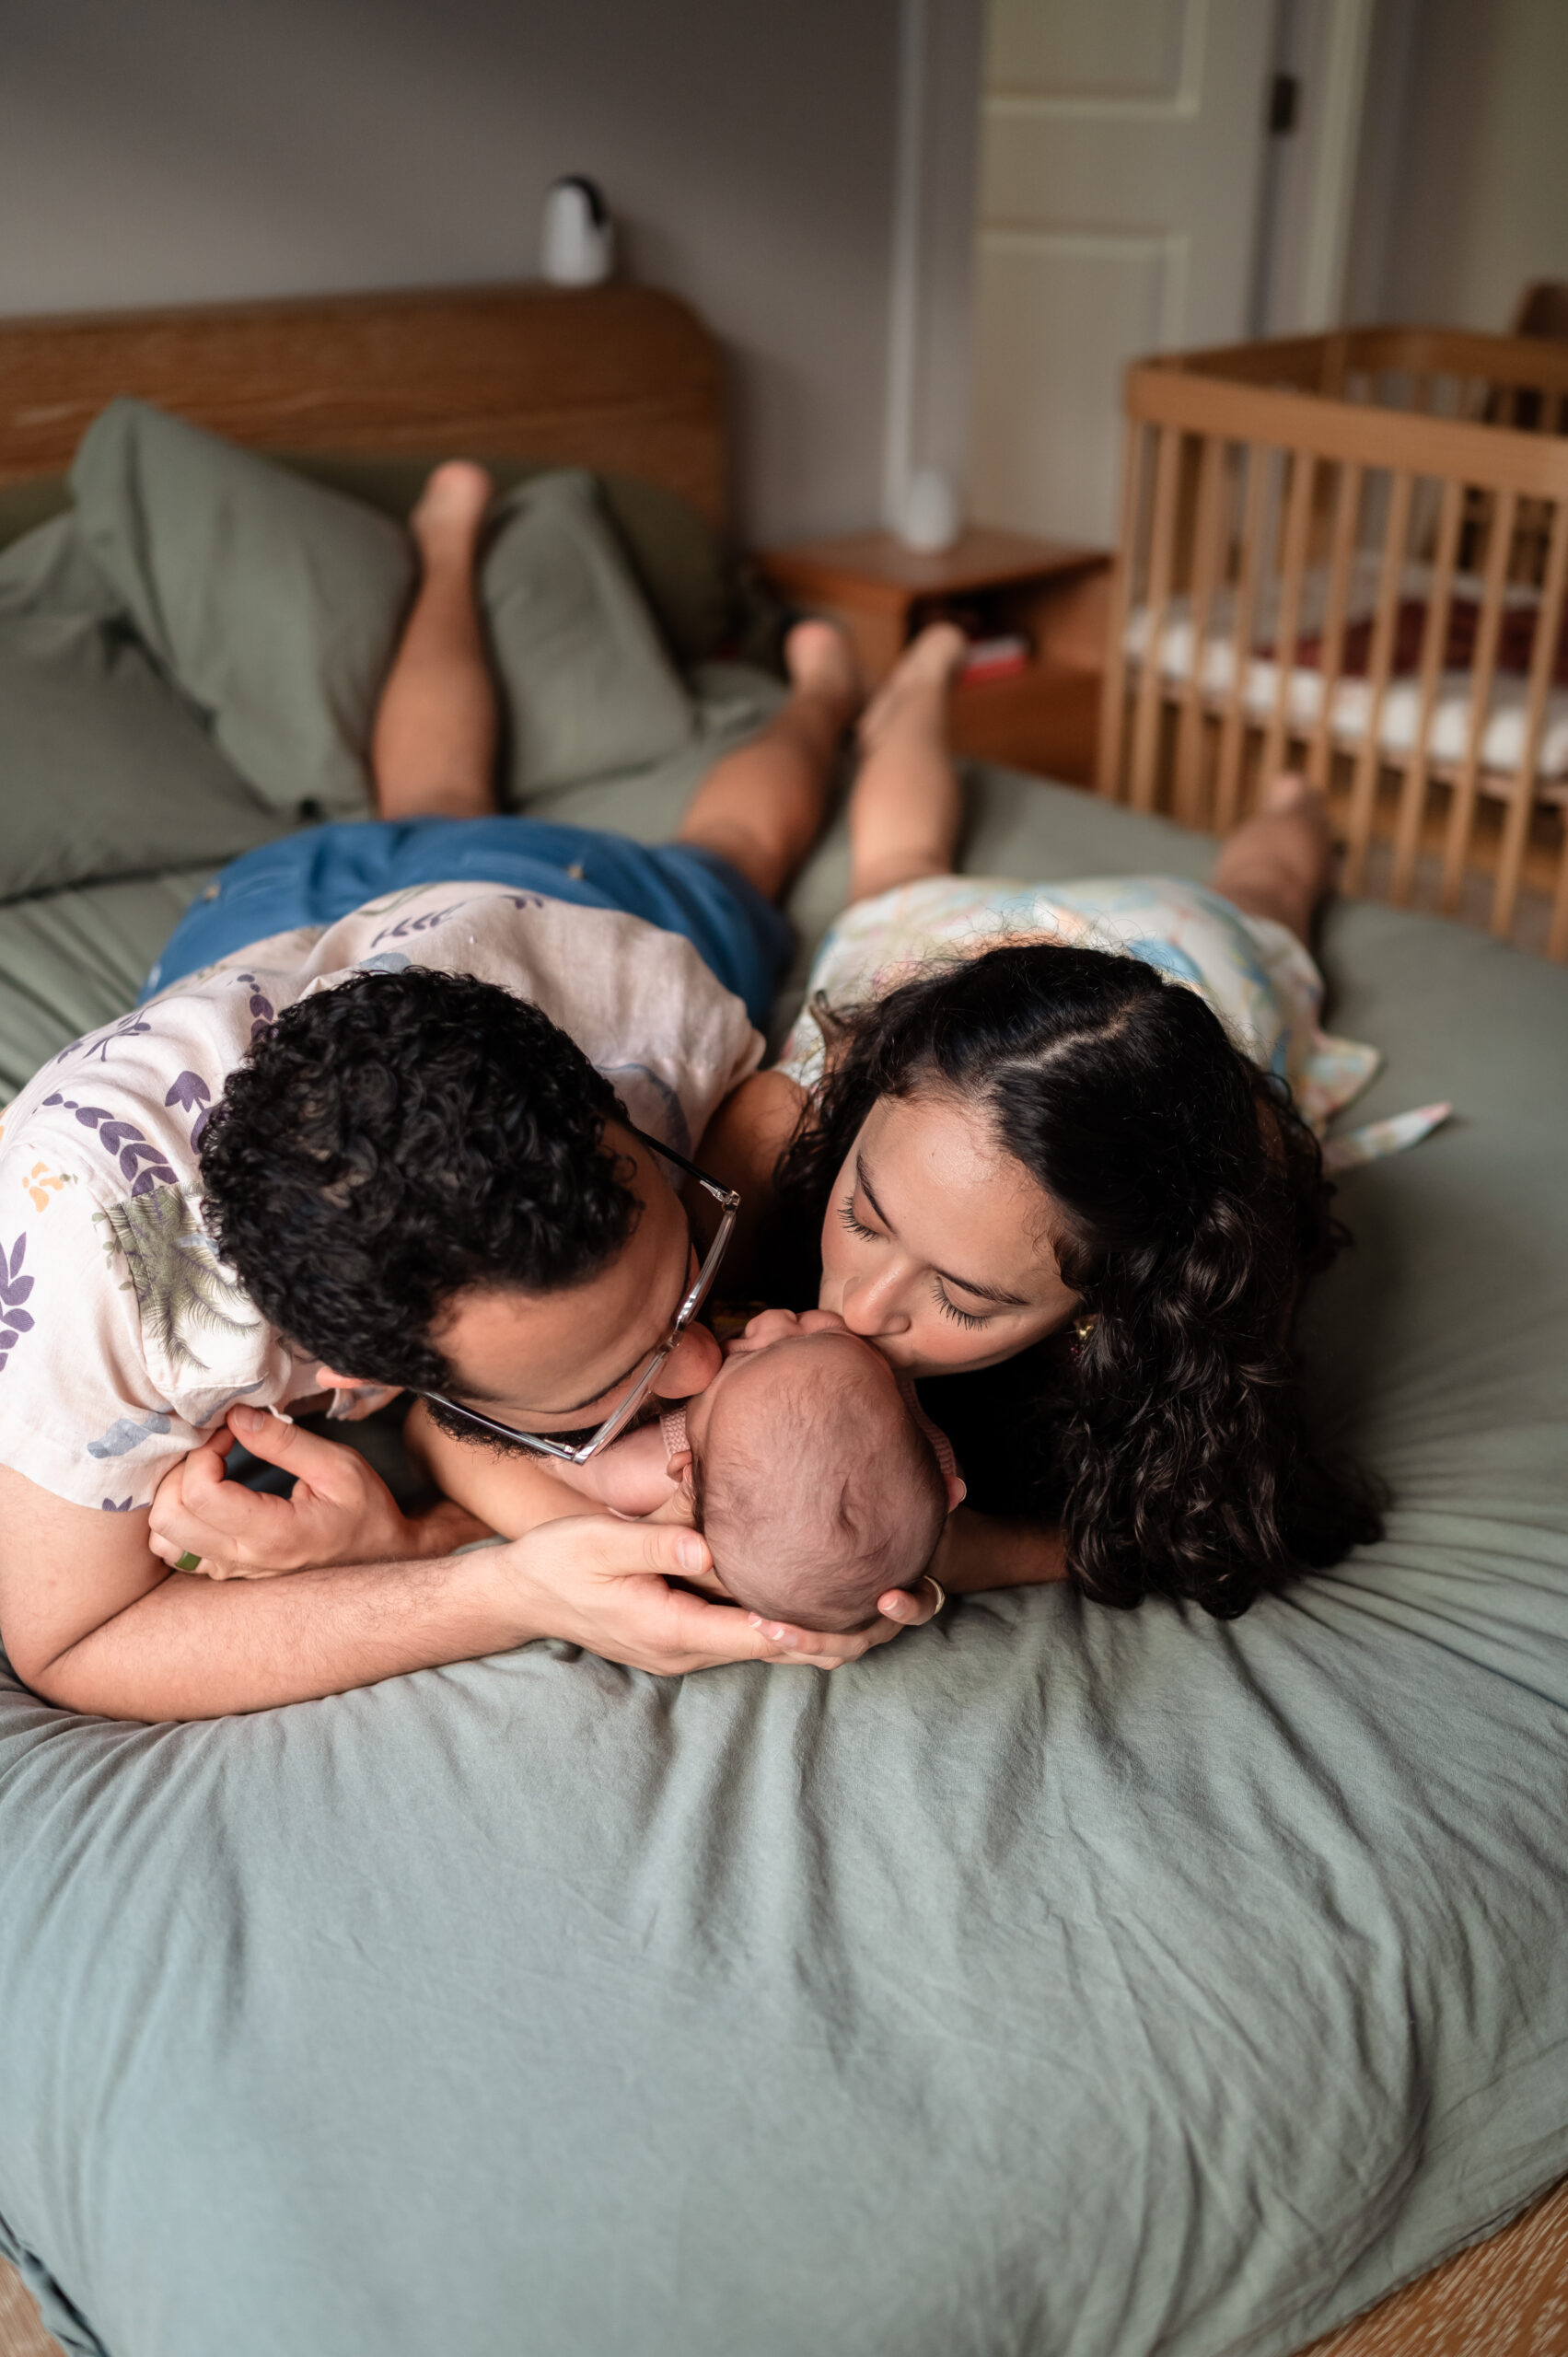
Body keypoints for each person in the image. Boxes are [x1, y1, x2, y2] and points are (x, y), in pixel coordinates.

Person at [0, 463, 946, 1723]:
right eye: (610, 1375)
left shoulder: (633, 1016)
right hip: (267, 922)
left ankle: (824, 695)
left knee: (731, 853)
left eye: (682, 1284)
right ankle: (445, 547)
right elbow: (70, 1642)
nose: (697, 1361)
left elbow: (767, 1126)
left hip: (512, 905)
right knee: (429, 801)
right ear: (350, 1369)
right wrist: (496, 1588)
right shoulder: (88, 1270)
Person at [693, 620, 1389, 1619]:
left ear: (1113, 1297)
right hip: (963, 968)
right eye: (862, 1216)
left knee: (1262, 894)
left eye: (966, 1300)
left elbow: (1215, 1526)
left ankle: (1296, 801)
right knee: (894, 866)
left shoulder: (1214, 1254)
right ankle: (920, 681)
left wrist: (964, 1554)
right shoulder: (798, 1111)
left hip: (1187, 957)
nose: (861, 1309)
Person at [412, 1308, 966, 1636]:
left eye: (746, 1352)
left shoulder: (653, 1464)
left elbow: (552, 1461)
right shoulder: (912, 1443)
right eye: (812, 1335)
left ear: (689, 1473)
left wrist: (594, 1485)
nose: (772, 1320)